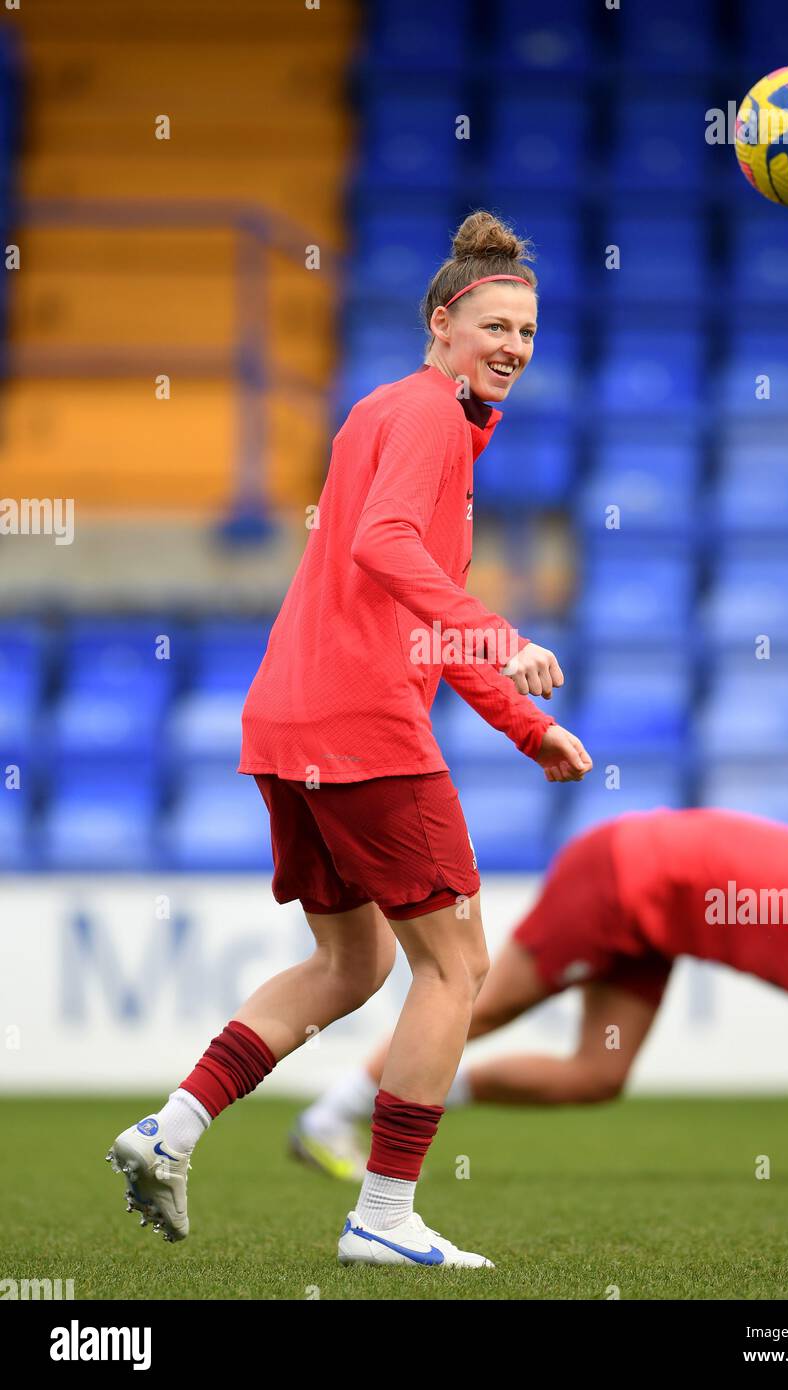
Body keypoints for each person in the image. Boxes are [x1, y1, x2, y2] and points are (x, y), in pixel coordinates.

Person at [105, 211, 592, 1268]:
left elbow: (422, 598)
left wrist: (526, 723)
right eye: (495, 325)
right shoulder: (422, 416)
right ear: (440, 326)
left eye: (528, 332)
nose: (512, 345)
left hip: (293, 720)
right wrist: (501, 635)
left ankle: (168, 1130)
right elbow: (385, 550)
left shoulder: (395, 415)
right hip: (362, 729)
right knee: (457, 968)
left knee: (350, 962)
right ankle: (381, 1213)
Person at [295, 808, 788, 1192]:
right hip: (619, 877)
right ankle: (330, 1114)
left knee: (599, 1075)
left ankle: (415, 1096)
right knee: (479, 1004)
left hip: (660, 927)